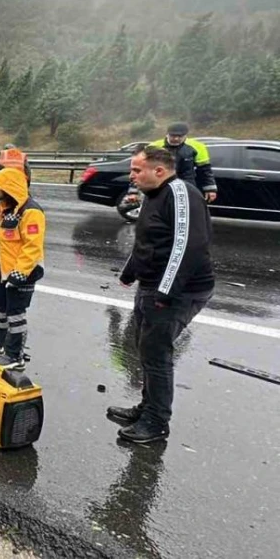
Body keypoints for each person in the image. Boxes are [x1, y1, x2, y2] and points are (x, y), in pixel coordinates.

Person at [110, 146, 213, 444]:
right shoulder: (154, 195)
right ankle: (147, 408)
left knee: (156, 353)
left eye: (136, 170)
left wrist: (165, 292)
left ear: (159, 170)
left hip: (180, 290)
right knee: (144, 347)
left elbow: (187, 247)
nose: (132, 175)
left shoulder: (181, 194)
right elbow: (149, 239)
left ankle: (156, 422)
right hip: (152, 285)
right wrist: (130, 273)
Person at [0, 165, 46, 370]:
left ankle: (15, 355)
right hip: (3, 270)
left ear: (10, 187)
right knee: (0, 309)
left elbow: (32, 246)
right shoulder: (6, 209)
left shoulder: (30, 211)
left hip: (22, 273)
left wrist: (19, 274)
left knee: (16, 314)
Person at [124, 122, 217, 206]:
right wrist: (133, 191)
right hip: (160, 186)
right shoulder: (154, 147)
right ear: (167, 134)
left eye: (180, 136)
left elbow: (205, 170)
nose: (176, 138)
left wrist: (210, 189)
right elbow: (140, 170)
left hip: (186, 186)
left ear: (186, 135)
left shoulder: (198, 147)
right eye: (173, 135)